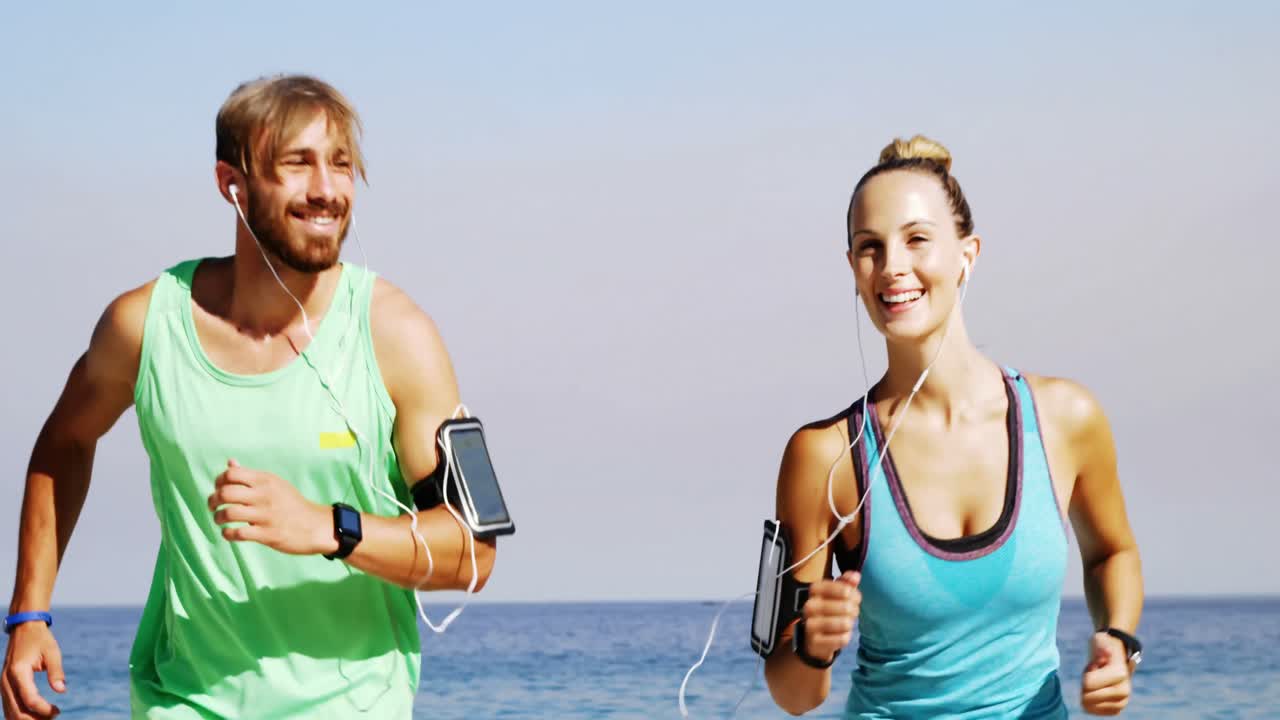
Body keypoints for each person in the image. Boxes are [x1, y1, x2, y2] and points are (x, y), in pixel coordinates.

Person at [2, 74, 497, 720]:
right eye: (297, 164)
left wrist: (330, 528)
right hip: (182, 702)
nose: (326, 189)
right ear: (230, 183)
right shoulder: (144, 325)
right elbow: (65, 440)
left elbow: (474, 551)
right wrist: (28, 613)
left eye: (340, 164)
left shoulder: (400, 335)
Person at [763, 136, 1144, 718]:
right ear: (853, 269)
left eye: (917, 239)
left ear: (968, 254)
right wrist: (813, 648)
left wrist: (1117, 639)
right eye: (870, 247)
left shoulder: (1065, 419)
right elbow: (791, 694)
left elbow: (1111, 552)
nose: (893, 266)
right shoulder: (825, 457)